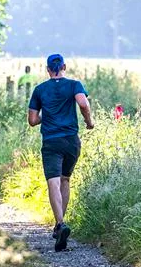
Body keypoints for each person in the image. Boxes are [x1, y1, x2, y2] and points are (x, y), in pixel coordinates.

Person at [27, 53, 94, 252]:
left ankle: (60, 223)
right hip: (71, 141)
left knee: (53, 183)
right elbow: (83, 103)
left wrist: (47, 116)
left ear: (48, 69)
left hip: (51, 142)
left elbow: (32, 120)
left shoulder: (40, 90)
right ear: (64, 66)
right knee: (65, 180)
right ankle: (60, 225)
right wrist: (89, 122)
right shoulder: (74, 85)